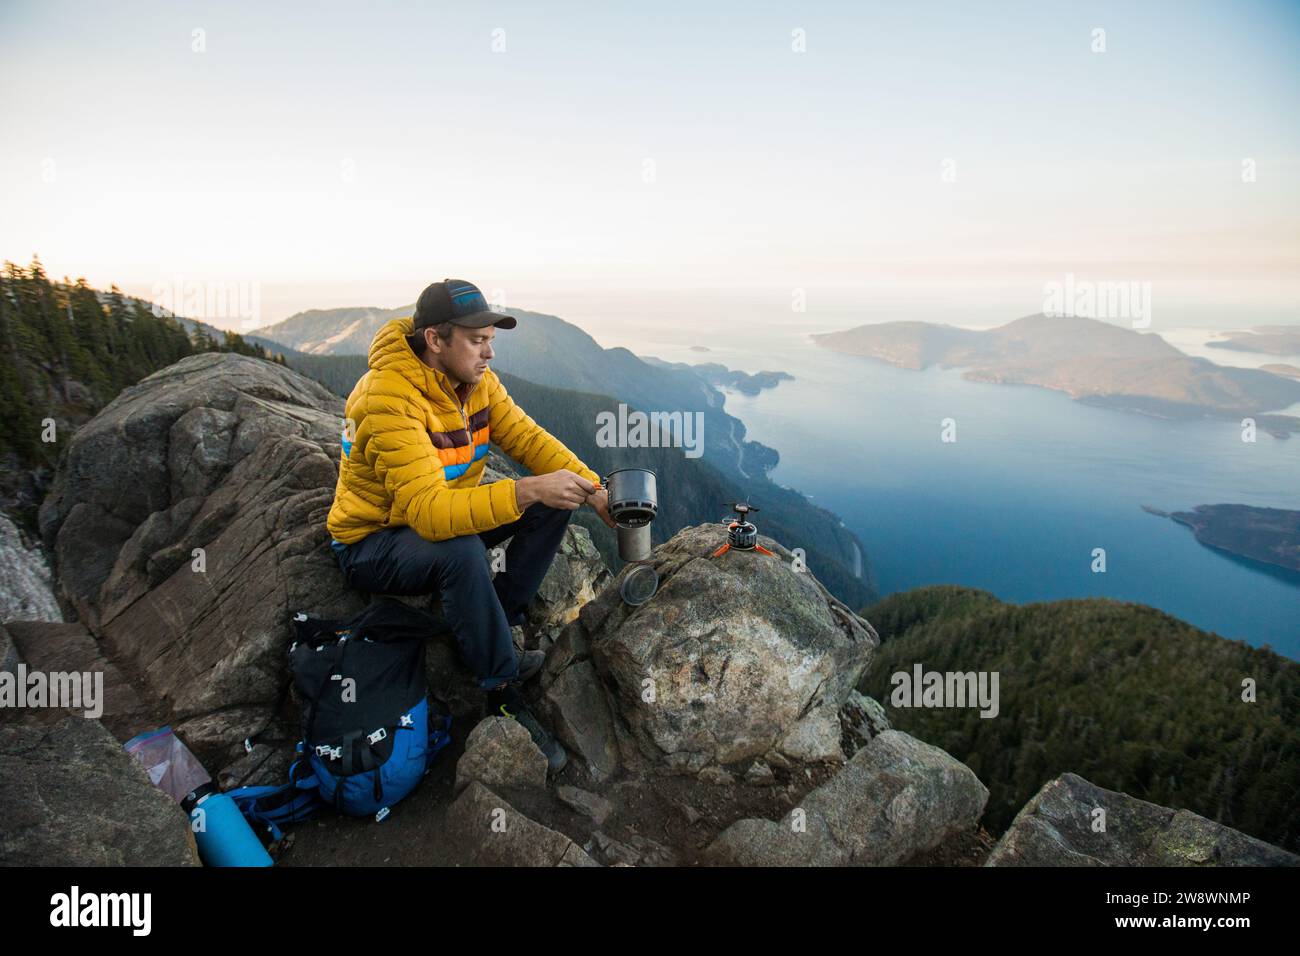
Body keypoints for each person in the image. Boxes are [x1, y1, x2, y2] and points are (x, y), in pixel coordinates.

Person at [325, 278, 615, 773]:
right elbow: (429, 515)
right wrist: (525, 490)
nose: (489, 353)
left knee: (555, 495)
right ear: (435, 339)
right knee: (462, 551)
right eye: (477, 340)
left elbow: (526, 437)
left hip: (446, 516)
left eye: (491, 340)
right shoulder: (386, 399)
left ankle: (497, 623)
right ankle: (499, 688)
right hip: (374, 542)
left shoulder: (475, 383)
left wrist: (593, 488)